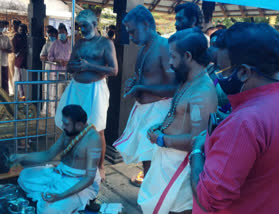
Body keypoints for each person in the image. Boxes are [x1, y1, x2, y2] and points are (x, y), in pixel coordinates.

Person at [190, 22, 279, 214]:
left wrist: (197, 151)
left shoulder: (246, 122)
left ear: (244, 72)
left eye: (222, 69)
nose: (219, 76)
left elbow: (209, 200)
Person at [139, 28, 218, 214]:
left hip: (180, 167)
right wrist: (161, 127)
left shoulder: (202, 92)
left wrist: (162, 139)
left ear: (188, 56)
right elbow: (178, 113)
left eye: (173, 57)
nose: (170, 62)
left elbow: (197, 140)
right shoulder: (187, 80)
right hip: (167, 161)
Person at [114, 5, 174, 186]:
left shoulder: (164, 46)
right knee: (147, 161)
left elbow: (174, 87)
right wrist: (134, 82)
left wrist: (141, 87)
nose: (131, 38)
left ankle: (152, 200)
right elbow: (142, 77)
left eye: (133, 32)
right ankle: (149, 197)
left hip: (158, 112)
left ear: (146, 24)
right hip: (143, 111)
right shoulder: (142, 49)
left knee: (156, 163)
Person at [55, 9, 118, 181]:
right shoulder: (79, 43)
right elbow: (69, 67)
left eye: (85, 25)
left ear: (95, 24)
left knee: (97, 130)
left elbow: (114, 70)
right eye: (80, 26)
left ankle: (100, 167)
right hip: (76, 88)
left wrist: (89, 66)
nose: (82, 29)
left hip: (95, 90)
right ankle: (74, 162)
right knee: (71, 127)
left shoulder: (106, 44)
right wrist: (75, 66)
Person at [11, 105, 102, 214]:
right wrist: (22, 156)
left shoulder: (93, 139)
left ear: (79, 125)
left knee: (48, 211)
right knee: (25, 175)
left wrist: (60, 196)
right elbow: (48, 154)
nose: (63, 126)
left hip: (78, 181)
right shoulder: (69, 132)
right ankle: (52, 193)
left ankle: (60, 198)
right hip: (59, 173)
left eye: (66, 124)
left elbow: (89, 179)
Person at [47, 23, 71, 116]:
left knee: (66, 94)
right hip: (57, 71)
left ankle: (65, 113)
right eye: (60, 32)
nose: (61, 34)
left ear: (66, 33)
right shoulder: (55, 44)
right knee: (57, 94)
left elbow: (74, 57)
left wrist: (67, 62)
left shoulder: (71, 44)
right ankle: (56, 113)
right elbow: (49, 57)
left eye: (63, 32)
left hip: (67, 72)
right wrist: (57, 60)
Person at [40, 27, 58, 115]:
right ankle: (46, 109)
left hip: (57, 71)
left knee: (55, 91)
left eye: (53, 35)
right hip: (48, 69)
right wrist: (50, 59)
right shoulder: (47, 45)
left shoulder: (60, 45)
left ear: (56, 35)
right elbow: (41, 56)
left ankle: (54, 111)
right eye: (49, 35)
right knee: (47, 89)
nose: (51, 37)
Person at [12, 23, 28, 99]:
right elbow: (15, 50)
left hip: (25, 63)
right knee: (19, 80)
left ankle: (24, 95)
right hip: (19, 62)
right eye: (20, 30)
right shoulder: (16, 37)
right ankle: (21, 96)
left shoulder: (27, 38)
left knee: (24, 80)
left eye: (23, 30)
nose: (22, 31)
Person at [7, 19, 21, 96]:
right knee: (9, 74)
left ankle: (16, 93)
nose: (12, 26)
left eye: (14, 25)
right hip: (9, 57)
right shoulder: (10, 33)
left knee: (14, 74)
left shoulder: (19, 35)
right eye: (12, 25)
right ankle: (11, 91)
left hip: (15, 57)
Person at [0, 21, 13, 94]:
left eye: (3, 27)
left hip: (4, 62)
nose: (2, 28)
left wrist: (4, 50)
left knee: (4, 81)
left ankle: (6, 98)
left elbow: (11, 50)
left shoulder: (6, 38)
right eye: (1, 26)